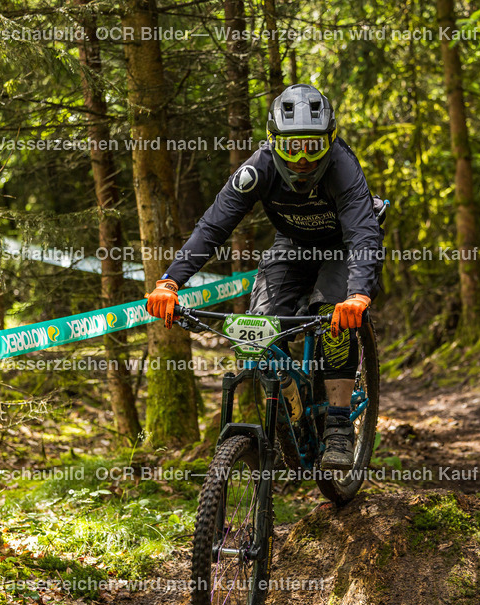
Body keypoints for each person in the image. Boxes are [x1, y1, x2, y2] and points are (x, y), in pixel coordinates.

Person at [145, 84, 384, 470]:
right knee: (257, 333)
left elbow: (362, 233)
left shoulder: (342, 167)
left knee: (333, 318)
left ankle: (339, 426)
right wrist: (170, 281)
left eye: (312, 146)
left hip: (342, 249)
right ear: (273, 143)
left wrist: (357, 295)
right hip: (291, 246)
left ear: (331, 140)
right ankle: (291, 414)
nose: (302, 159)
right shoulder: (257, 170)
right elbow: (213, 226)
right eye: (292, 147)